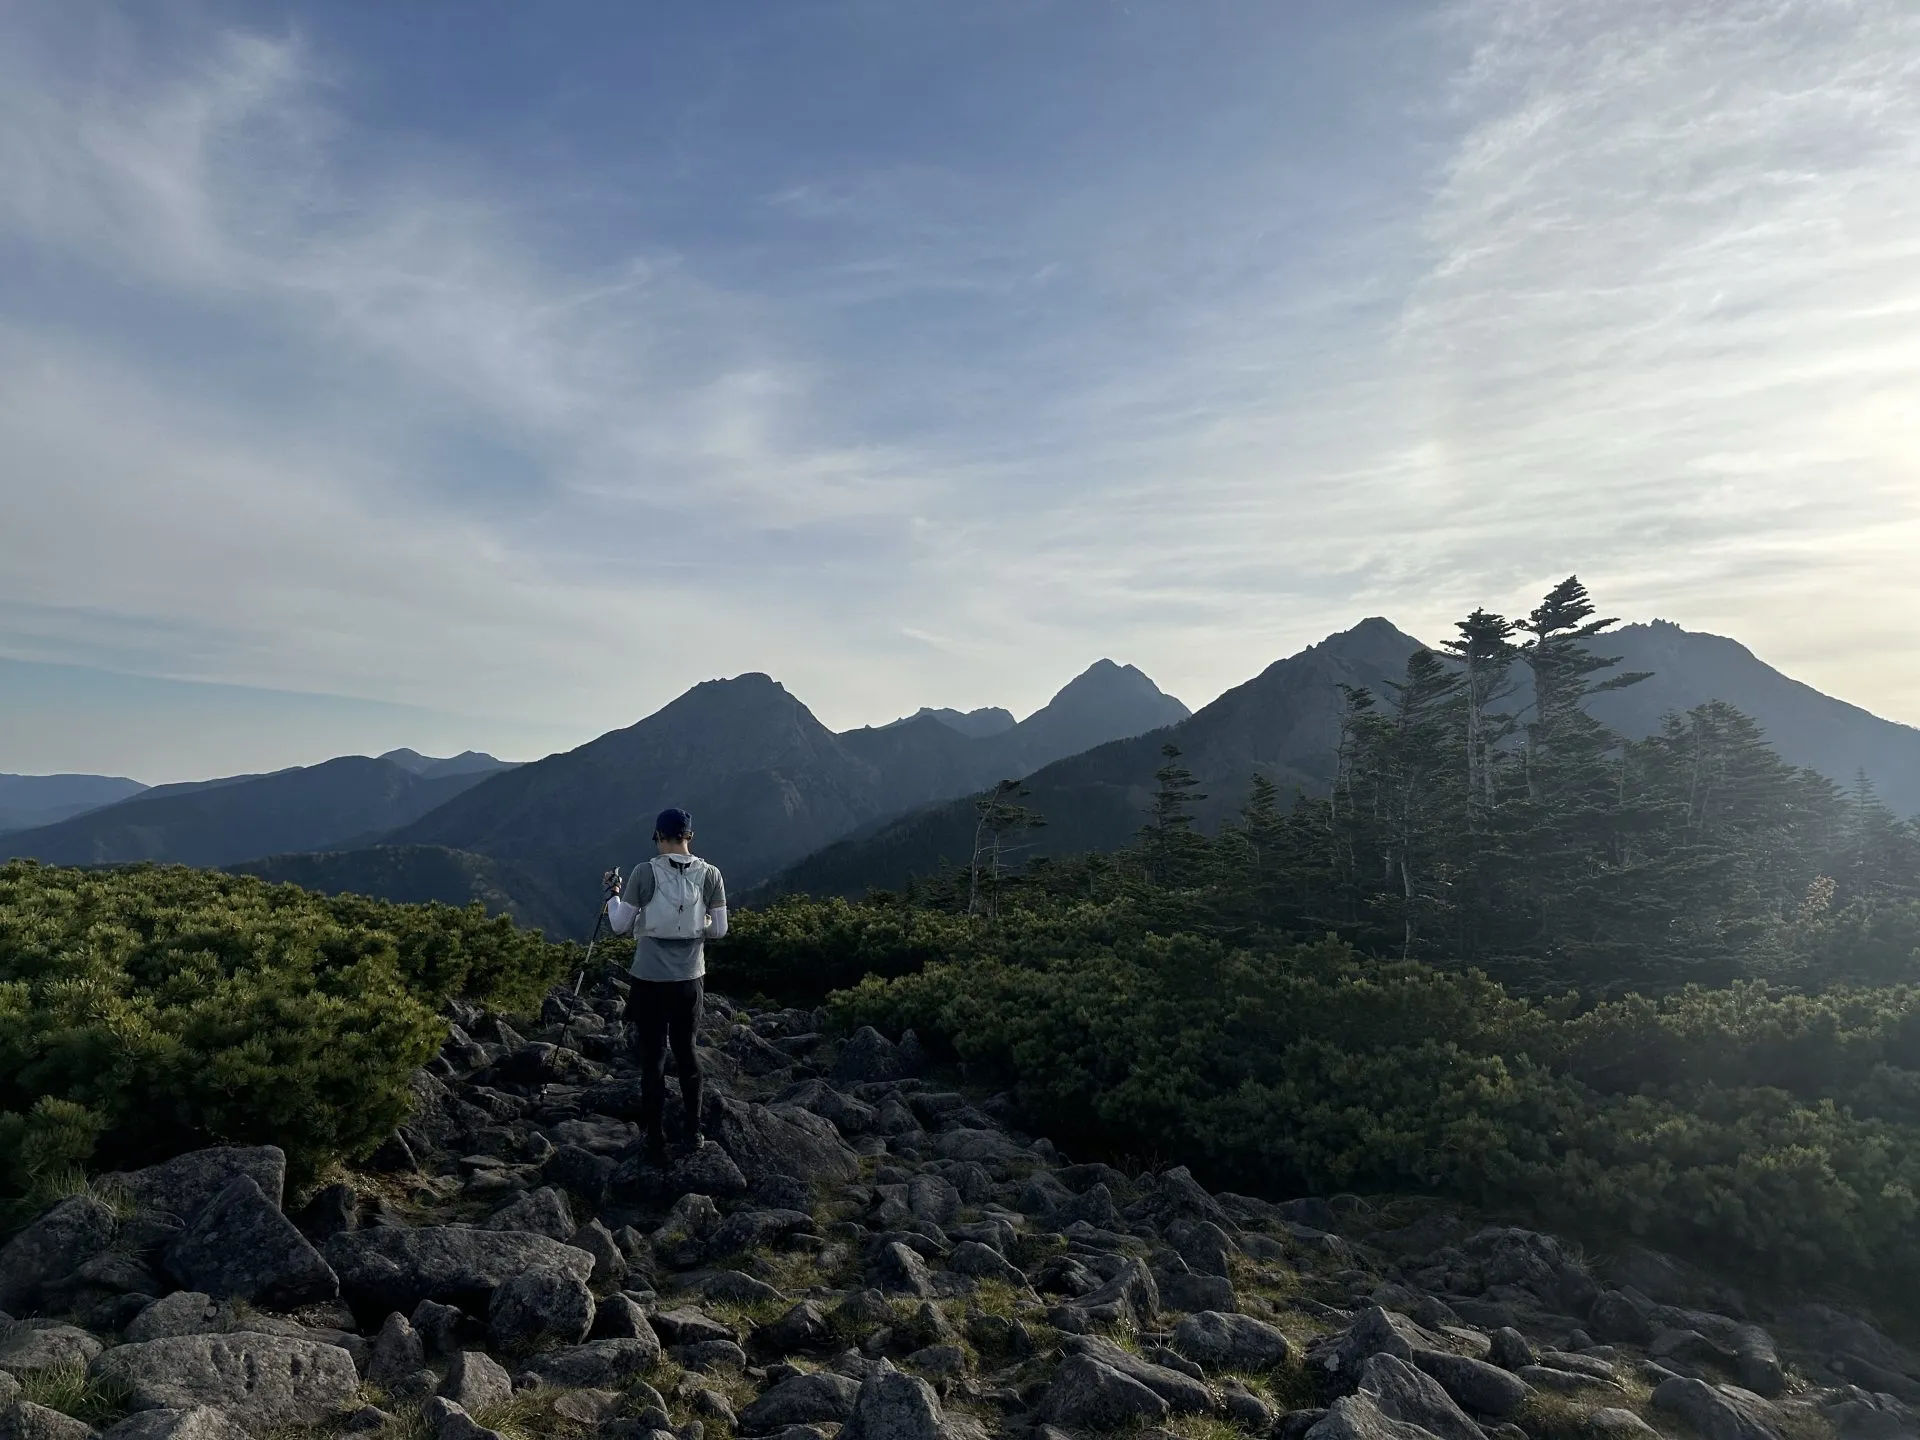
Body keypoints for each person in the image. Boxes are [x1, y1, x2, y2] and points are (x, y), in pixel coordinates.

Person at [604, 807, 727, 1162]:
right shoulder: (711, 875)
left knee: (653, 1059)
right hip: (690, 978)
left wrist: (613, 895)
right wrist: (696, 923)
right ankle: (694, 1131)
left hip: (649, 978)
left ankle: (655, 1139)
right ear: (690, 836)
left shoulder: (644, 873)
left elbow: (620, 925)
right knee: (687, 1053)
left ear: (658, 836)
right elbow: (719, 930)